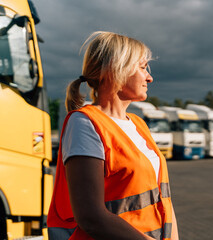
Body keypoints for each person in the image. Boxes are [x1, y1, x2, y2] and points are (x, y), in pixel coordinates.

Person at [47, 31, 179, 240]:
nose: (150, 77)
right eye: (143, 68)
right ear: (116, 69)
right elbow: (91, 217)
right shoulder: (84, 123)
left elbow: (164, 200)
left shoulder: (139, 124)